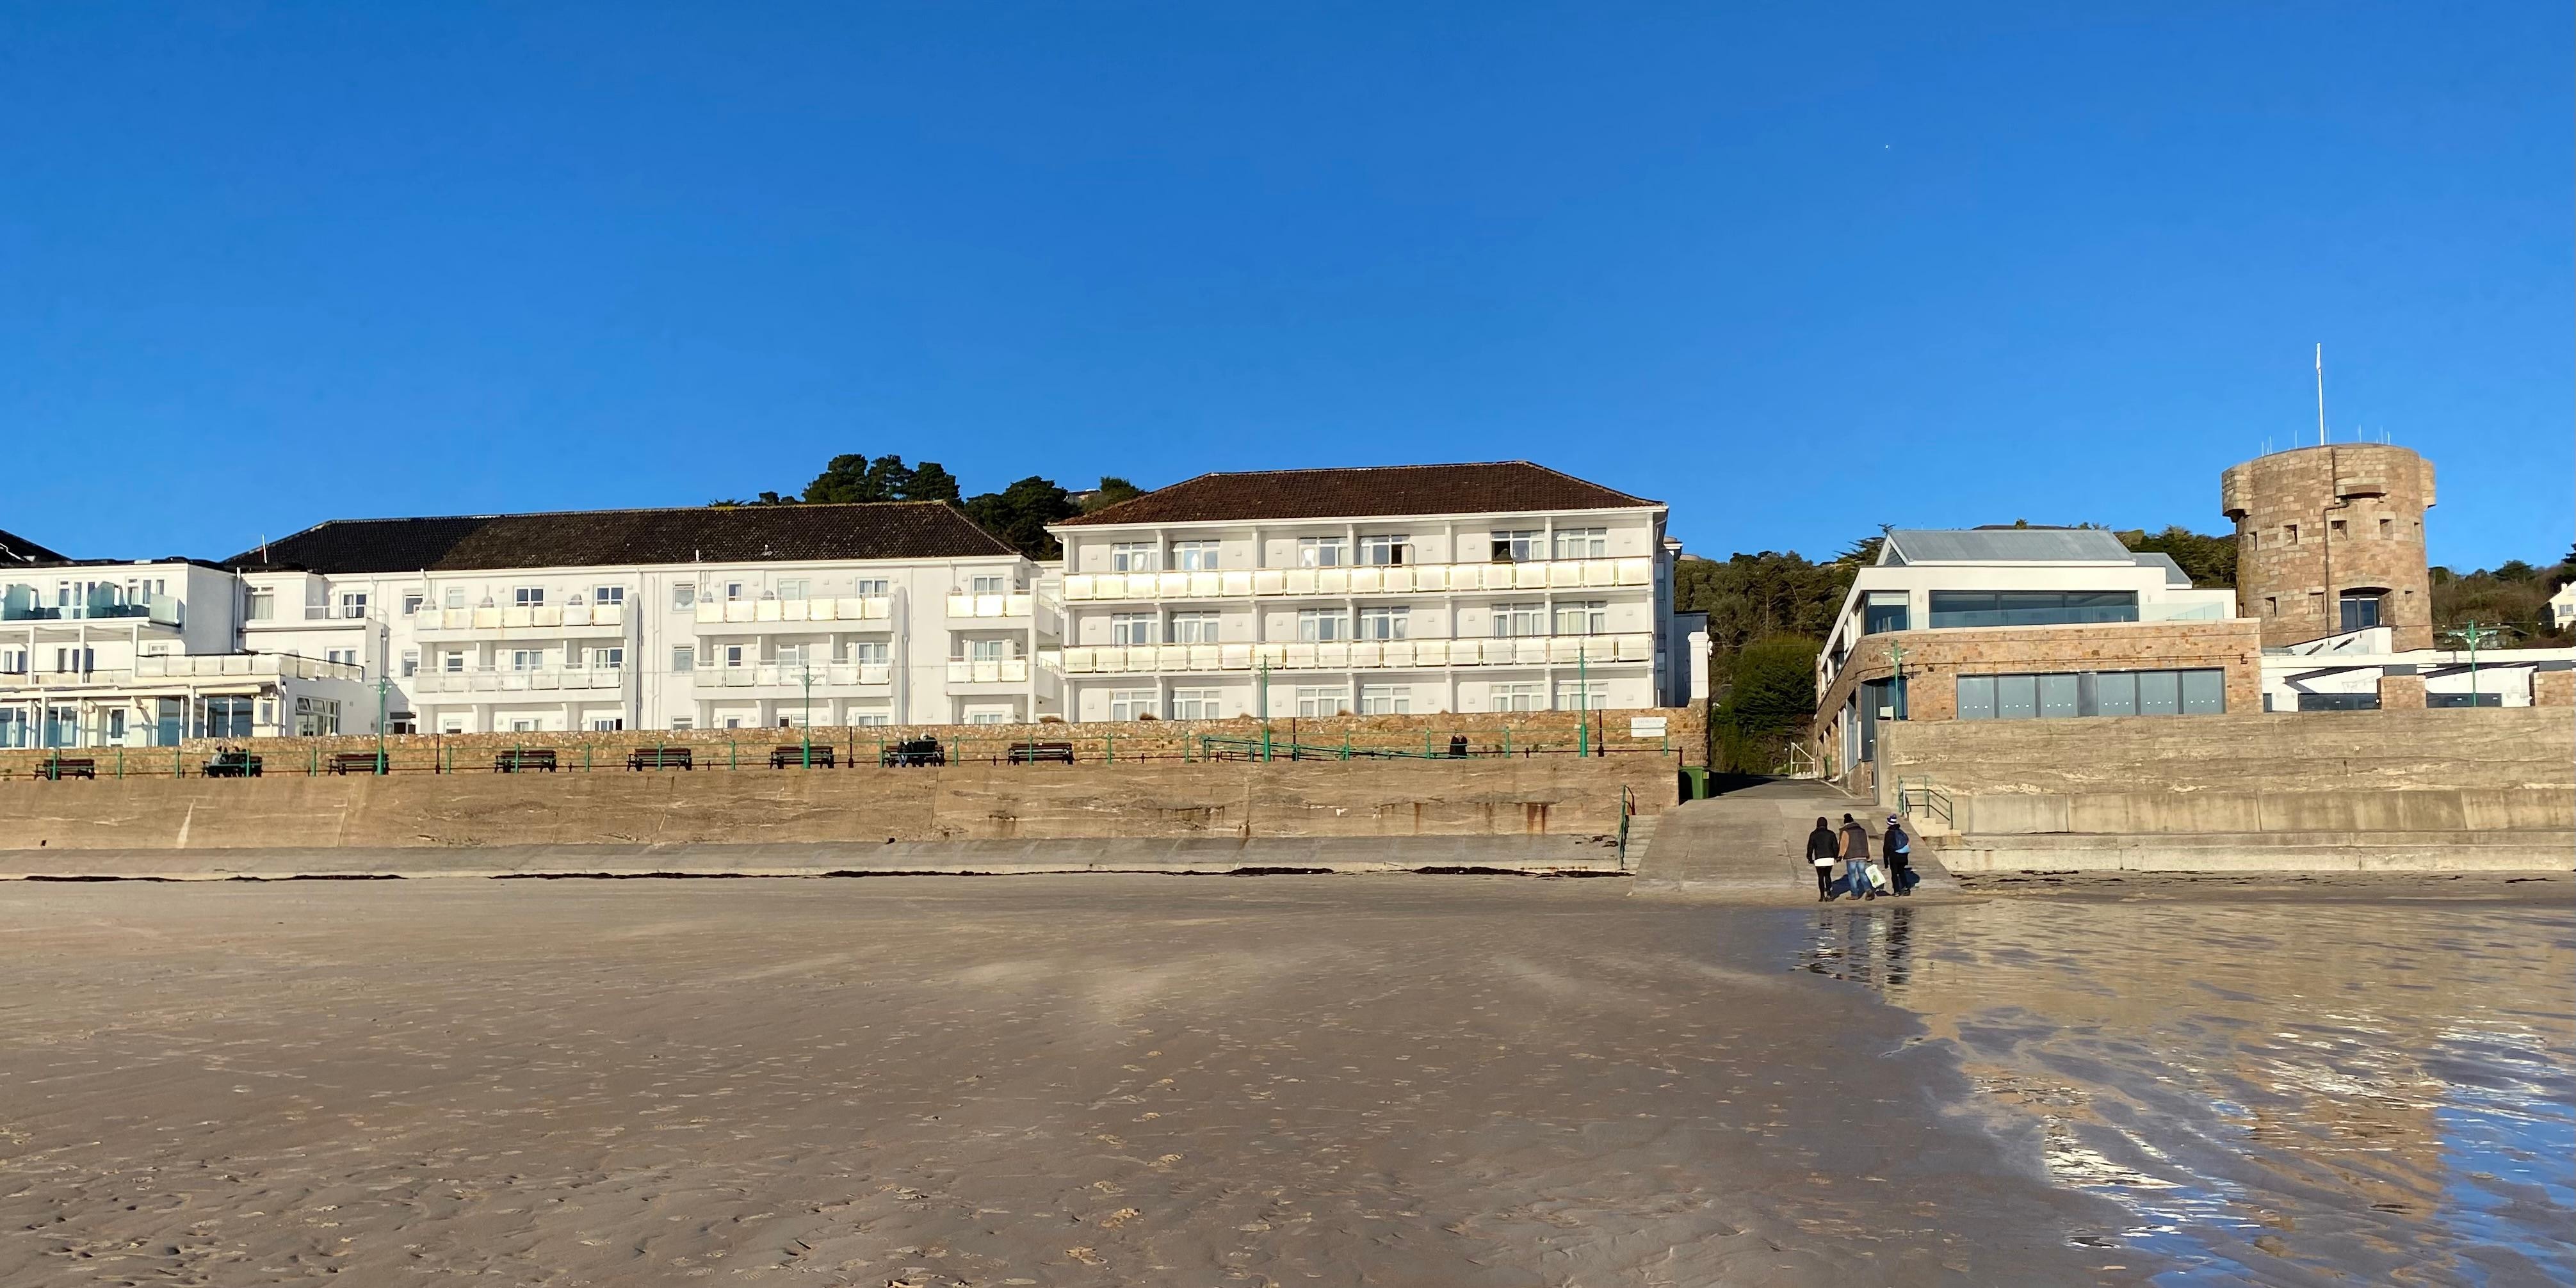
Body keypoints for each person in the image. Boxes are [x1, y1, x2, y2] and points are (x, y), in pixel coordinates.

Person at [1837, 814, 1877, 900]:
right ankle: (1868, 890)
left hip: (1851, 857)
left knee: (1852, 876)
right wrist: (1870, 856)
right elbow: (1867, 843)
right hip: (1862, 855)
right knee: (1863, 874)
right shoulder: (1863, 831)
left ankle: (1855, 894)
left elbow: (1844, 845)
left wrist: (1840, 856)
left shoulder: (1846, 831)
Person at [1806, 816, 1840, 901]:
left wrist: (1809, 858)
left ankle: (1822, 896)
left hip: (1819, 859)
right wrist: (1836, 856)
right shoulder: (1831, 834)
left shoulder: (1813, 834)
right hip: (1829, 858)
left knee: (1820, 877)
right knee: (1828, 876)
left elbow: (1810, 847)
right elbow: (1835, 847)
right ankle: (1829, 892)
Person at [1883, 815, 1915, 896]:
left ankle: (1897, 891)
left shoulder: (1889, 833)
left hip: (1894, 856)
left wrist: (1886, 860)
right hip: (1903, 857)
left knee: (1894, 874)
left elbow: (1886, 847)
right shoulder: (1901, 832)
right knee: (1902, 872)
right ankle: (1906, 889)